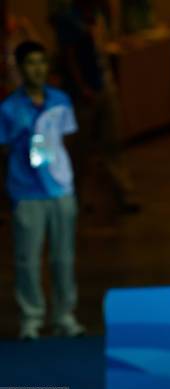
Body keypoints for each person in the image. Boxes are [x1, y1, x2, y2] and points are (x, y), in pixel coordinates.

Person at [0, 41, 85, 340]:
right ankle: (31, 318)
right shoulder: (9, 109)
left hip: (60, 190)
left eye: (42, 62)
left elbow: (68, 141)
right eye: (30, 63)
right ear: (21, 68)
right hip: (26, 192)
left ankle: (64, 315)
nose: (37, 68)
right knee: (27, 259)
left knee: (63, 257)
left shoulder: (60, 100)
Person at [50, 0, 140, 213]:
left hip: (103, 85)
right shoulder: (69, 20)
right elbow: (70, 57)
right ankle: (74, 198)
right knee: (79, 149)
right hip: (83, 92)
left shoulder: (97, 19)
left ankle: (122, 193)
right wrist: (82, 88)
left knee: (112, 142)